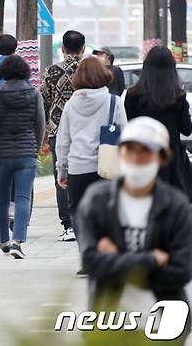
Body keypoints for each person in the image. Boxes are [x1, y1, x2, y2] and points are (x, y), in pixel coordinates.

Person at [77, 117, 192, 337]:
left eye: (146, 151)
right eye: (131, 150)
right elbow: (91, 262)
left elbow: (181, 271)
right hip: (108, 318)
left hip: (167, 321)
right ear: (121, 153)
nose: (137, 158)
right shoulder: (97, 201)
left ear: (162, 157)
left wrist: (116, 259)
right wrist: (152, 260)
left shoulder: (176, 205)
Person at [0, 55, 45, 259]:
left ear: (4, 72)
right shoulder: (34, 94)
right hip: (26, 154)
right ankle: (18, 241)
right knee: (23, 197)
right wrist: (35, 147)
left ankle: (3, 240)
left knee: (2, 199)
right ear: (25, 72)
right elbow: (40, 125)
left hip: (2, 155)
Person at [56, 57, 127, 236]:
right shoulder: (114, 102)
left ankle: (87, 253)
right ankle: (105, 253)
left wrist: (62, 171)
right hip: (108, 168)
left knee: (80, 215)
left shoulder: (71, 104)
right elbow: (125, 137)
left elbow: (63, 141)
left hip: (78, 169)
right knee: (108, 215)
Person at [124, 46, 192, 197]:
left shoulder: (133, 95)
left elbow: (130, 125)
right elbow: (186, 129)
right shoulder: (178, 97)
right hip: (171, 159)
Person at [41, 30, 86, 242]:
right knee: (88, 174)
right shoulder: (90, 71)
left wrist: (45, 129)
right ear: (83, 49)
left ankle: (68, 225)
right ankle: (84, 221)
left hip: (58, 130)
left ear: (63, 49)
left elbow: (44, 102)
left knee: (62, 178)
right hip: (85, 131)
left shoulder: (51, 71)